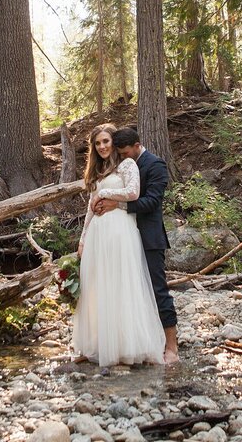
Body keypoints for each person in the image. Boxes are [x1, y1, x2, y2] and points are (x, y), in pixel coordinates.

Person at [71, 123, 165, 366]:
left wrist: (106, 196)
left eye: (106, 141)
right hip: (98, 235)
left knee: (121, 285)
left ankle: (127, 346)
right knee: (98, 287)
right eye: (97, 143)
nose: (102, 146)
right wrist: (82, 240)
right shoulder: (98, 171)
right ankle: (98, 345)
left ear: (114, 143)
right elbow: (90, 209)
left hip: (121, 232)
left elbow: (133, 193)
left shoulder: (127, 165)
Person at [93, 126, 180, 365]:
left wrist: (117, 205)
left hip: (149, 237)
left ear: (137, 145)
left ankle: (171, 346)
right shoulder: (122, 163)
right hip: (123, 236)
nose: (122, 157)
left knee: (157, 288)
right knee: (128, 290)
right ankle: (137, 342)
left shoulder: (156, 165)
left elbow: (152, 201)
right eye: (119, 153)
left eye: (125, 152)